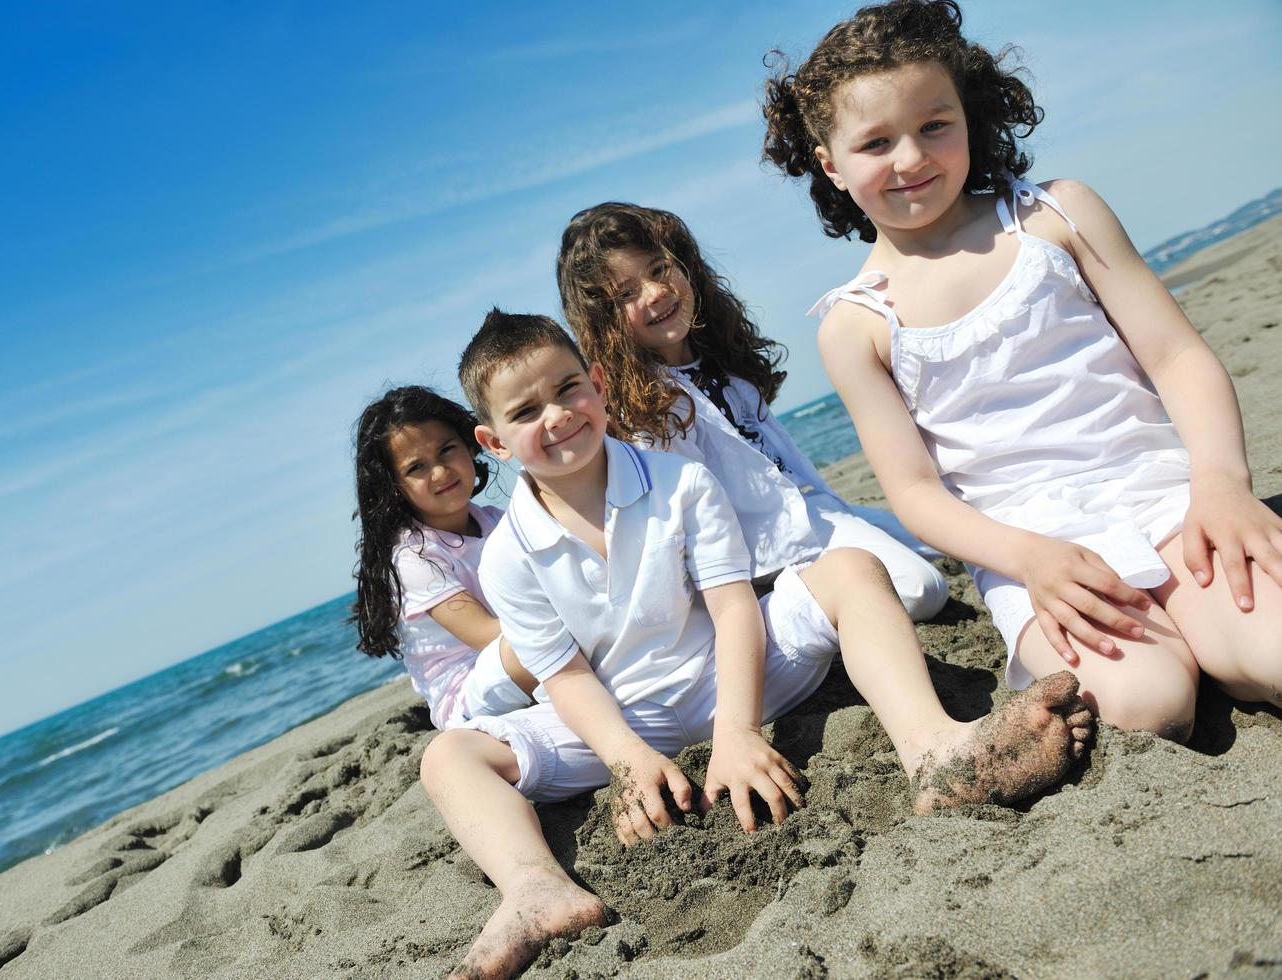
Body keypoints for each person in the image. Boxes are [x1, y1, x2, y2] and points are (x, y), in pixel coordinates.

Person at [419, 309, 1092, 979]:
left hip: (733, 672)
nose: (557, 416)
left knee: (850, 569)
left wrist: (738, 732)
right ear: (495, 442)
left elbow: (735, 605)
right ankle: (536, 889)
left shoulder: (677, 483)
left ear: (596, 383)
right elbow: (564, 677)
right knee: (449, 756)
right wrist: (626, 760)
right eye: (526, 410)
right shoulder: (507, 556)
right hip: (624, 715)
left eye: (568, 388)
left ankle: (934, 751)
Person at [769, 0, 1282, 739]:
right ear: (832, 166)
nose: (911, 158)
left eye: (934, 125)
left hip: (1170, 501)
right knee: (1149, 701)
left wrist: (1222, 485)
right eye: (876, 142)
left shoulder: (1053, 216)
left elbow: (1177, 356)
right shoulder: (856, 325)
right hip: (1032, 549)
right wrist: (1029, 560)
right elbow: (916, 493)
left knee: (1264, 650)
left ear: (969, 119)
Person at [556, 201, 947, 620]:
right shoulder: (648, 410)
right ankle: (789, 606)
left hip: (812, 512)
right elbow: (689, 524)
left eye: (657, 269)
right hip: (761, 552)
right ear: (604, 321)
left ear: (682, 262)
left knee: (939, 539)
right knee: (922, 588)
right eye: (626, 294)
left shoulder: (719, 355)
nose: (655, 293)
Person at [347, 386, 536, 731]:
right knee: (535, 645)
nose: (440, 472)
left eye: (447, 450)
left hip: (525, 656)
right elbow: (487, 635)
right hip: (470, 692)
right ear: (394, 486)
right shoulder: (413, 559)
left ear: (469, 445)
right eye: (416, 467)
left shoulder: (495, 519)